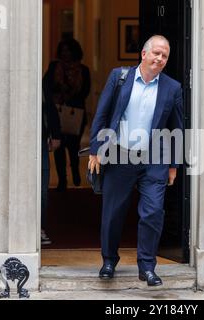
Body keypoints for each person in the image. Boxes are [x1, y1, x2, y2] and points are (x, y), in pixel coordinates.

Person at [88, 35, 183, 286]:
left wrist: (173, 164)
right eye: (156, 54)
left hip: (154, 160)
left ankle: (147, 267)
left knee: (153, 212)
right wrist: (96, 150)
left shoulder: (172, 88)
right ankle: (109, 261)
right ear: (144, 54)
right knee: (113, 213)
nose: (160, 59)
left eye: (164, 56)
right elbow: (103, 113)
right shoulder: (119, 77)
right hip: (119, 155)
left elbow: (177, 128)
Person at [43, 38, 91, 191]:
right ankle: (62, 179)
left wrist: (70, 95)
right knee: (59, 146)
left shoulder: (83, 70)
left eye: (68, 51)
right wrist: (58, 92)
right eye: (63, 51)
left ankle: (75, 169)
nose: (65, 54)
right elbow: (46, 86)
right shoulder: (53, 67)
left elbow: (86, 91)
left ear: (74, 52)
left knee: (73, 146)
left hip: (75, 113)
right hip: (57, 112)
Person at [41, 82, 61, 245]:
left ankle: (39, 228)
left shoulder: (42, 86)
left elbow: (50, 109)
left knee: (42, 188)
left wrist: (55, 134)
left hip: (41, 141)